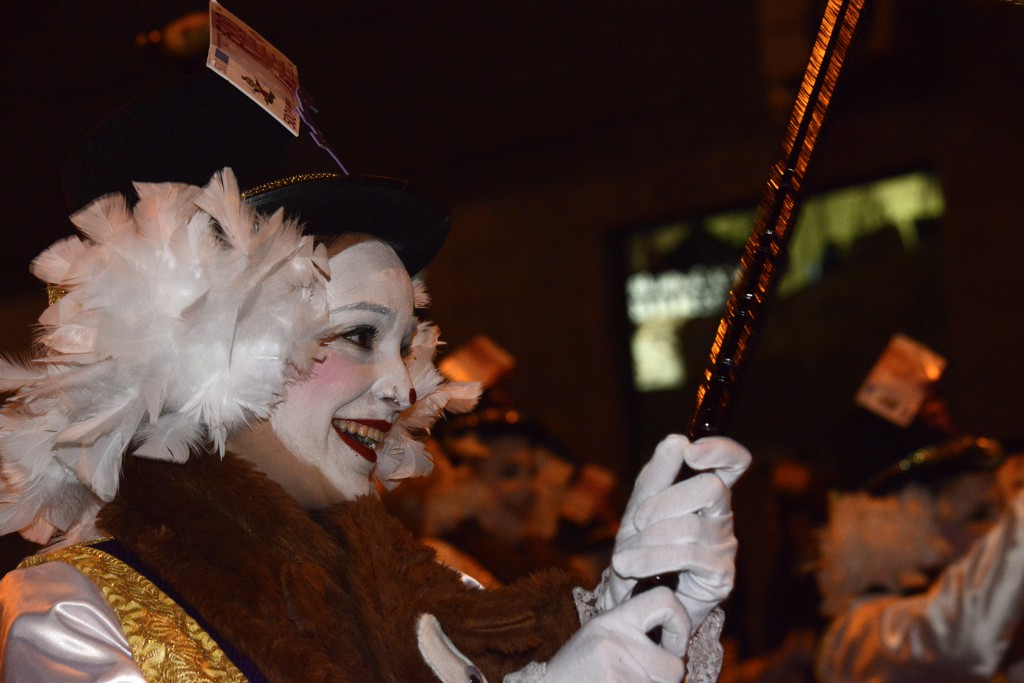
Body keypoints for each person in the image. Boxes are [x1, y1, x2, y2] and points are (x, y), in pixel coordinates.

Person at [0, 69, 751, 682]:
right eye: (358, 334)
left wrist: (639, 600)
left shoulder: (419, 591)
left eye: (405, 342)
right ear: (203, 344)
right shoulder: (76, 609)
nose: (402, 385)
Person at [814, 436, 1024, 682]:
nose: (994, 531)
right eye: (978, 516)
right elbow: (956, 639)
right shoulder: (856, 634)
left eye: (1002, 513)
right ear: (909, 530)